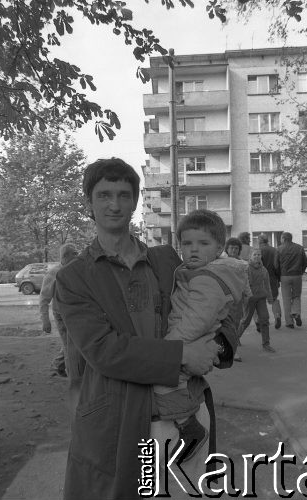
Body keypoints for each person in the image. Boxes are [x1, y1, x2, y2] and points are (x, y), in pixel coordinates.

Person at [55, 158, 226, 500]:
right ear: (88, 202)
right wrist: (182, 354)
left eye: (123, 194)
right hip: (123, 421)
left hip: (186, 411)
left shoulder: (166, 259)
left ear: (135, 200)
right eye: (104, 195)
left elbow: (218, 300)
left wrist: (221, 345)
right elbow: (104, 350)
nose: (114, 204)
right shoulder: (73, 277)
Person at [154, 210, 245, 459]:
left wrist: (169, 349)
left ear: (219, 248)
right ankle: (187, 428)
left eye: (203, 244)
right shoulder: (196, 272)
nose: (193, 250)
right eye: (187, 243)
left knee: (164, 384)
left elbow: (198, 320)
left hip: (189, 340)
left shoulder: (207, 278)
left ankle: (188, 427)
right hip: (190, 339)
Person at [39, 244, 78, 377]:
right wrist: (45, 321)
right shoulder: (54, 273)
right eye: (74, 253)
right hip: (61, 314)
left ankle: (57, 365)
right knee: (69, 345)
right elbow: (44, 299)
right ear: (65, 256)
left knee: (74, 341)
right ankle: (74, 378)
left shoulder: (74, 270)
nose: (77, 255)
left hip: (74, 313)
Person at [237, 248, 276, 353]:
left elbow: (267, 285)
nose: (257, 256)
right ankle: (235, 339)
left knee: (264, 319)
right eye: (255, 255)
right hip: (249, 299)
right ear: (250, 256)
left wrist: (270, 298)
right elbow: (243, 284)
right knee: (245, 321)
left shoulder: (264, 270)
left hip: (261, 298)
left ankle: (266, 344)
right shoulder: (247, 268)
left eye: (259, 254)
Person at [276, 232, 307, 328]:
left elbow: (276, 265)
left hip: (284, 276)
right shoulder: (299, 248)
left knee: (286, 299)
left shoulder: (279, 249)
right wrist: (301, 272)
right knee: (296, 296)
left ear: (283, 238)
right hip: (297, 275)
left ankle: (289, 323)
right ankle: (296, 313)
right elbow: (305, 262)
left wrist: (279, 276)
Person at [258, 233, 282, 329]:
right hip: (273, 277)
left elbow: (257, 264)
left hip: (261, 278)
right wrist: (278, 278)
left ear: (260, 241)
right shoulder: (274, 250)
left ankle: (262, 321)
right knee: (274, 298)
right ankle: (277, 315)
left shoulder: (259, 251)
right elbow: (277, 265)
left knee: (261, 300)